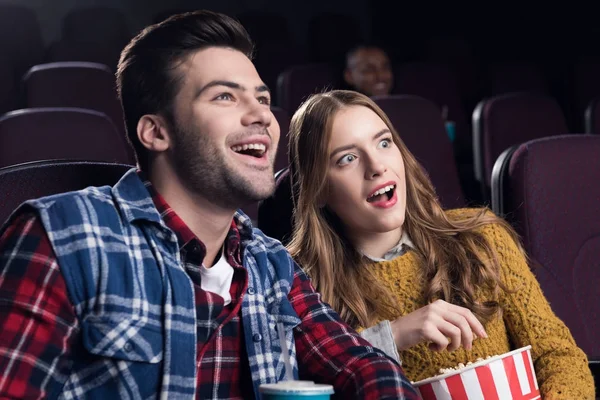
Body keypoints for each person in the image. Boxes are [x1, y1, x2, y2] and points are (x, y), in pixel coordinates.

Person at [0, 12, 420, 400]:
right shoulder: (62, 237)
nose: (261, 114)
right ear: (156, 132)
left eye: (261, 97)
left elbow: (360, 365)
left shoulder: (272, 265)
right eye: (225, 97)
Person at [286, 90, 595, 399]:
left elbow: (558, 356)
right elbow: (300, 381)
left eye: (383, 143)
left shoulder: (480, 240)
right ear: (319, 188)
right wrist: (394, 335)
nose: (376, 166)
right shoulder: (297, 283)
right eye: (348, 159)